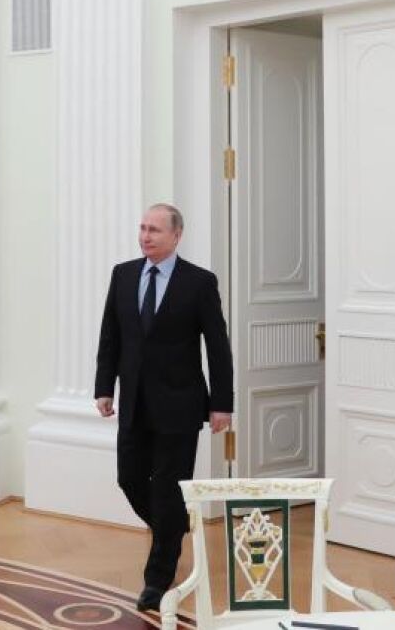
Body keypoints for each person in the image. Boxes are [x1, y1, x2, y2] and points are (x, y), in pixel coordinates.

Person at [94, 203, 234, 613]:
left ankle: (157, 579)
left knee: (169, 488)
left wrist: (221, 404)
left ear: (176, 235)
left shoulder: (200, 282)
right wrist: (104, 387)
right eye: (142, 228)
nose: (145, 236)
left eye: (154, 229)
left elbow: (217, 347)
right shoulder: (123, 275)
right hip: (134, 402)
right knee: (129, 478)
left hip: (180, 405)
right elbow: (110, 336)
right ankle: (172, 528)